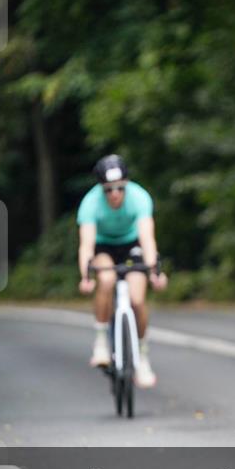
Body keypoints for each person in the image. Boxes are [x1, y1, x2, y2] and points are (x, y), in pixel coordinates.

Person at [76, 154, 167, 388]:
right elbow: (86, 244)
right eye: (108, 190)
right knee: (105, 280)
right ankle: (101, 343)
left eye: (119, 188)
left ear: (126, 185)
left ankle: (143, 358)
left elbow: (147, 238)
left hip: (132, 244)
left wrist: (154, 271)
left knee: (137, 300)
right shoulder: (90, 203)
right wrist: (86, 276)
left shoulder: (139, 198)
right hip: (104, 245)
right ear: (101, 189)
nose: (114, 194)